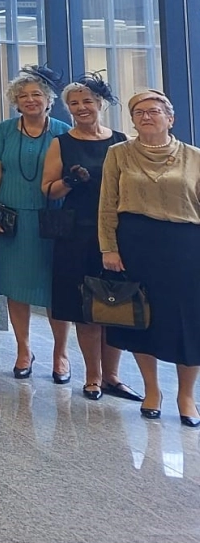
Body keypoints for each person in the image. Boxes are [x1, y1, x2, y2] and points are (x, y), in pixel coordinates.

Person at [99, 89, 200, 423]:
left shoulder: (194, 157)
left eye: (154, 111)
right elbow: (107, 204)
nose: (146, 117)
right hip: (136, 243)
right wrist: (109, 248)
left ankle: (186, 396)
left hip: (185, 245)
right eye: (139, 112)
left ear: (170, 118)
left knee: (188, 322)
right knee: (142, 317)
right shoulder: (118, 153)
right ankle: (152, 390)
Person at [42, 74, 136, 402]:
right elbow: (48, 190)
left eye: (87, 101)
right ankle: (92, 376)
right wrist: (69, 181)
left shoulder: (122, 141)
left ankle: (112, 377)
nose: (81, 107)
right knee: (86, 308)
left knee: (117, 304)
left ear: (100, 104)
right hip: (77, 234)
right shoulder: (61, 143)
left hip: (117, 234)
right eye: (74, 103)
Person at [0, 68, 71, 379]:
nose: (30, 100)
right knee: (15, 287)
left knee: (55, 288)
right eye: (23, 96)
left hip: (51, 219)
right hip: (11, 220)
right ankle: (23, 349)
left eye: (37, 95)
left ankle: (61, 353)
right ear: (15, 102)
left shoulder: (63, 131)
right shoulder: (3, 131)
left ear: (49, 100)